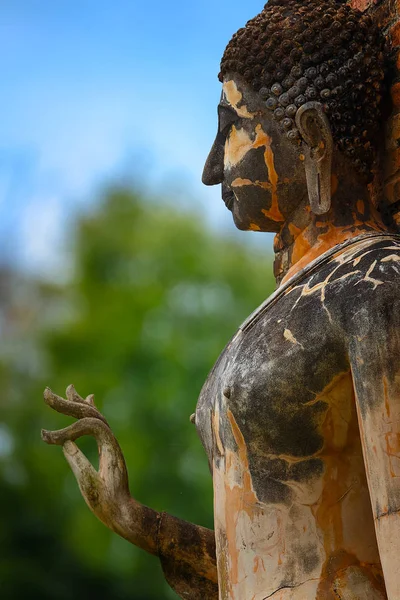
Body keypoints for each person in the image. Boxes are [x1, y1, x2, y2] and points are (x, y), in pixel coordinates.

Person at [42, 1, 400, 598]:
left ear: (311, 137)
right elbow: (265, 564)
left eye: (231, 127)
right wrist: (136, 519)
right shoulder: (277, 311)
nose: (211, 168)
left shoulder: (373, 286)